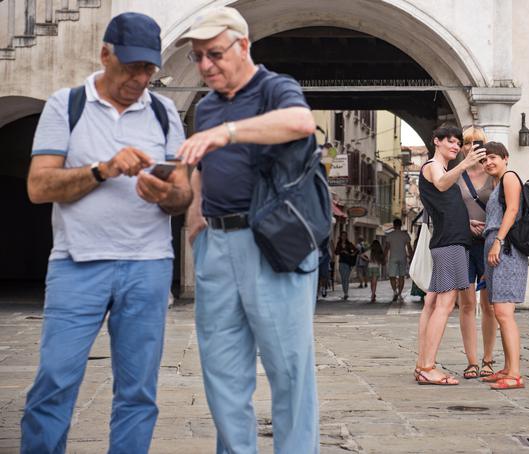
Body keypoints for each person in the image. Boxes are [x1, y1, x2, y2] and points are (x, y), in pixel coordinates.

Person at [20, 12, 192, 453]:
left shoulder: (163, 111)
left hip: (148, 267)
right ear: (105, 54)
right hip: (77, 264)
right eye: (131, 66)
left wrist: (164, 195)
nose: (140, 77)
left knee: (138, 393)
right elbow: (39, 187)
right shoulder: (67, 104)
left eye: (148, 68)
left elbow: (183, 195)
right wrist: (103, 169)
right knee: (54, 383)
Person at [175, 7, 320, 453]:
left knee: (289, 368)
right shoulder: (209, 104)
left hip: (271, 245)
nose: (205, 65)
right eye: (198, 57)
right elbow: (203, 167)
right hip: (215, 245)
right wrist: (195, 218)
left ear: (243, 46)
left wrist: (228, 133)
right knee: (221, 370)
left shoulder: (275, 87)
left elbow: (301, 123)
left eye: (214, 54)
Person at [414, 123, 485, 385]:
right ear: (437, 142)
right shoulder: (434, 166)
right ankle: (428, 367)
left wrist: (466, 224)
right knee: (444, 304)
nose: (455, 146)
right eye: (451, 141)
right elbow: (442, 185)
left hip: (450, 239)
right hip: (451, 244)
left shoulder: (442, 168)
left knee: (432, 304)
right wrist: (465, 164)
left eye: (458, 142)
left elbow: (445, 206)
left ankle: (422, 364)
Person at [480, 142, 528, 390]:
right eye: (484, 160)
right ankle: (508, 368)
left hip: (506, 249)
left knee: (503, 313)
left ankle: (515, 374)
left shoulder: (509, 177)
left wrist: (498, 240)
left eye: (492, 158)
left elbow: (512, 210)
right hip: (495, 246)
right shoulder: (496, 183)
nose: (488, 162)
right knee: (498, 311)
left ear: (505, 158)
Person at [457, 126, 497, 380]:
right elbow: (447, 208)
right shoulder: (457, 173)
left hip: (489, 243)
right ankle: (472, 361)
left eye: (477, 141)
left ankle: (489, 359)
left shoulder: (494, 173)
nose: (472, 145)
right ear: (461, 146)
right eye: (467, 141)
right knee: (467, 303)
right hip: (464, 243)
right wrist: (466, 223)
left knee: (490, 305)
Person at [384, 218, 413, 302]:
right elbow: (409, 247)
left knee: (392, 276)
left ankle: (395, 291)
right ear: (401, 225)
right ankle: (400, 293)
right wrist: (411, 257)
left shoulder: (390, 235)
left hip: (393, 257)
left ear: (393, 225)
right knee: (401, 276)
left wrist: (383, 257)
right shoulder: (405, 235)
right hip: (402, 257)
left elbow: (387, 247)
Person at [335, 231, 357, 300]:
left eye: (345, 235)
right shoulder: (339, 244)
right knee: (343, 279)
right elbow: (336, 252)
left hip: (348, 263)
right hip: (341, 263)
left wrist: (350, 254)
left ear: (346, 236)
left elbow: (356, 250)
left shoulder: (349, 244)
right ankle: (345, 292)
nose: (344, 237)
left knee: (346, 279)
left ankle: (346, 293)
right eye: (342, 235)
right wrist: (341, 251)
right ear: (341, 236)